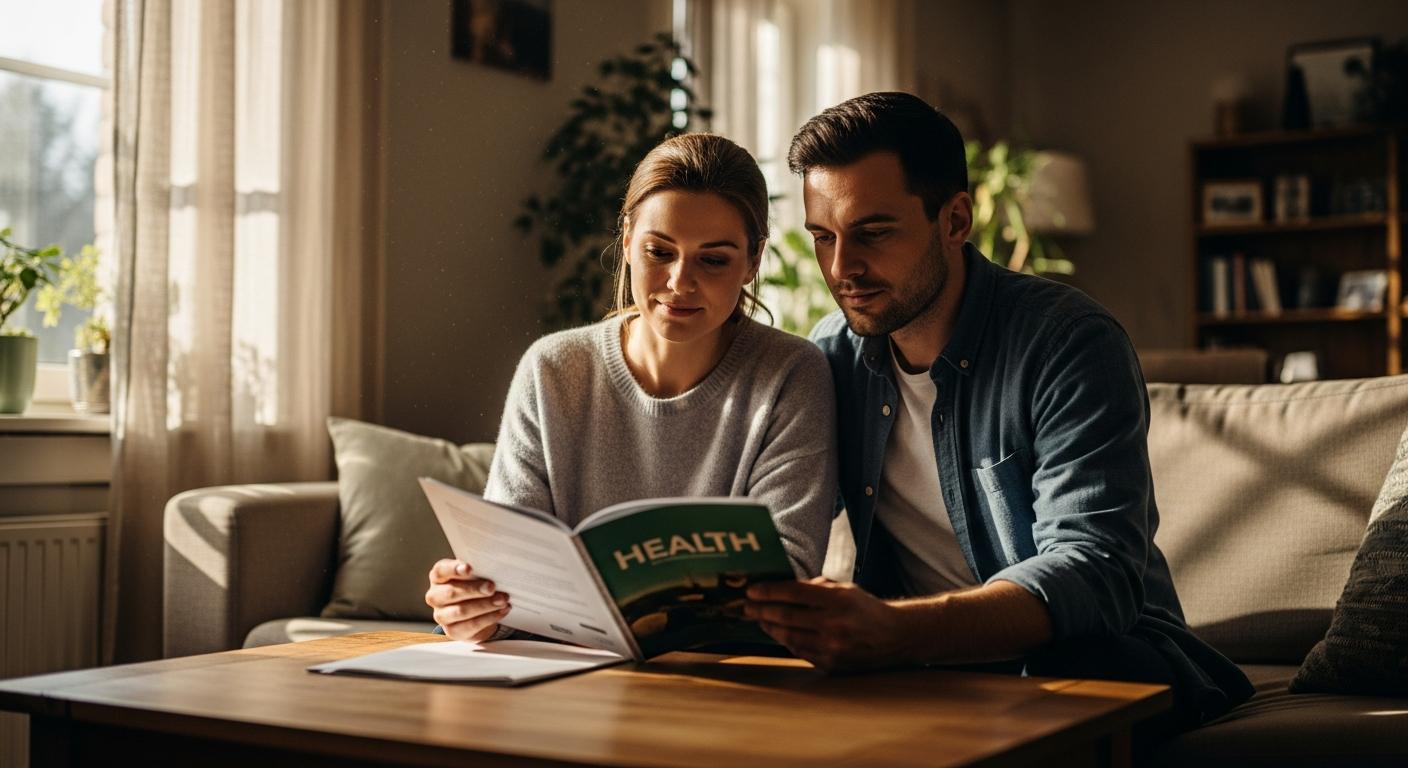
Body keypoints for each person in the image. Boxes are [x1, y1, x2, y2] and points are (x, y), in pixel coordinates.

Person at [743, 92, 1253, 730]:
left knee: (1071, 662)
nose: (842, 267)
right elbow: (767, 522)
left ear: (955, 220)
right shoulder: (831, 359)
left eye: (872, 233)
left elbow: (1095, 570)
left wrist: (899, 631)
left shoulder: (1069, 342)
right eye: (823, 237)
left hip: (1097, 655)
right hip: (918, 670)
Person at [426, 133, 838, 643]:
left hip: (721, 680)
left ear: (753, 262)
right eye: (658, 251)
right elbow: (507, 577)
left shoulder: (792, 374)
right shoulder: (553, 370)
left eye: (713, 260)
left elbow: (789, 580)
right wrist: (474, 608)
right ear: (625, 242)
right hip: (568, 679)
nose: (679, 282)